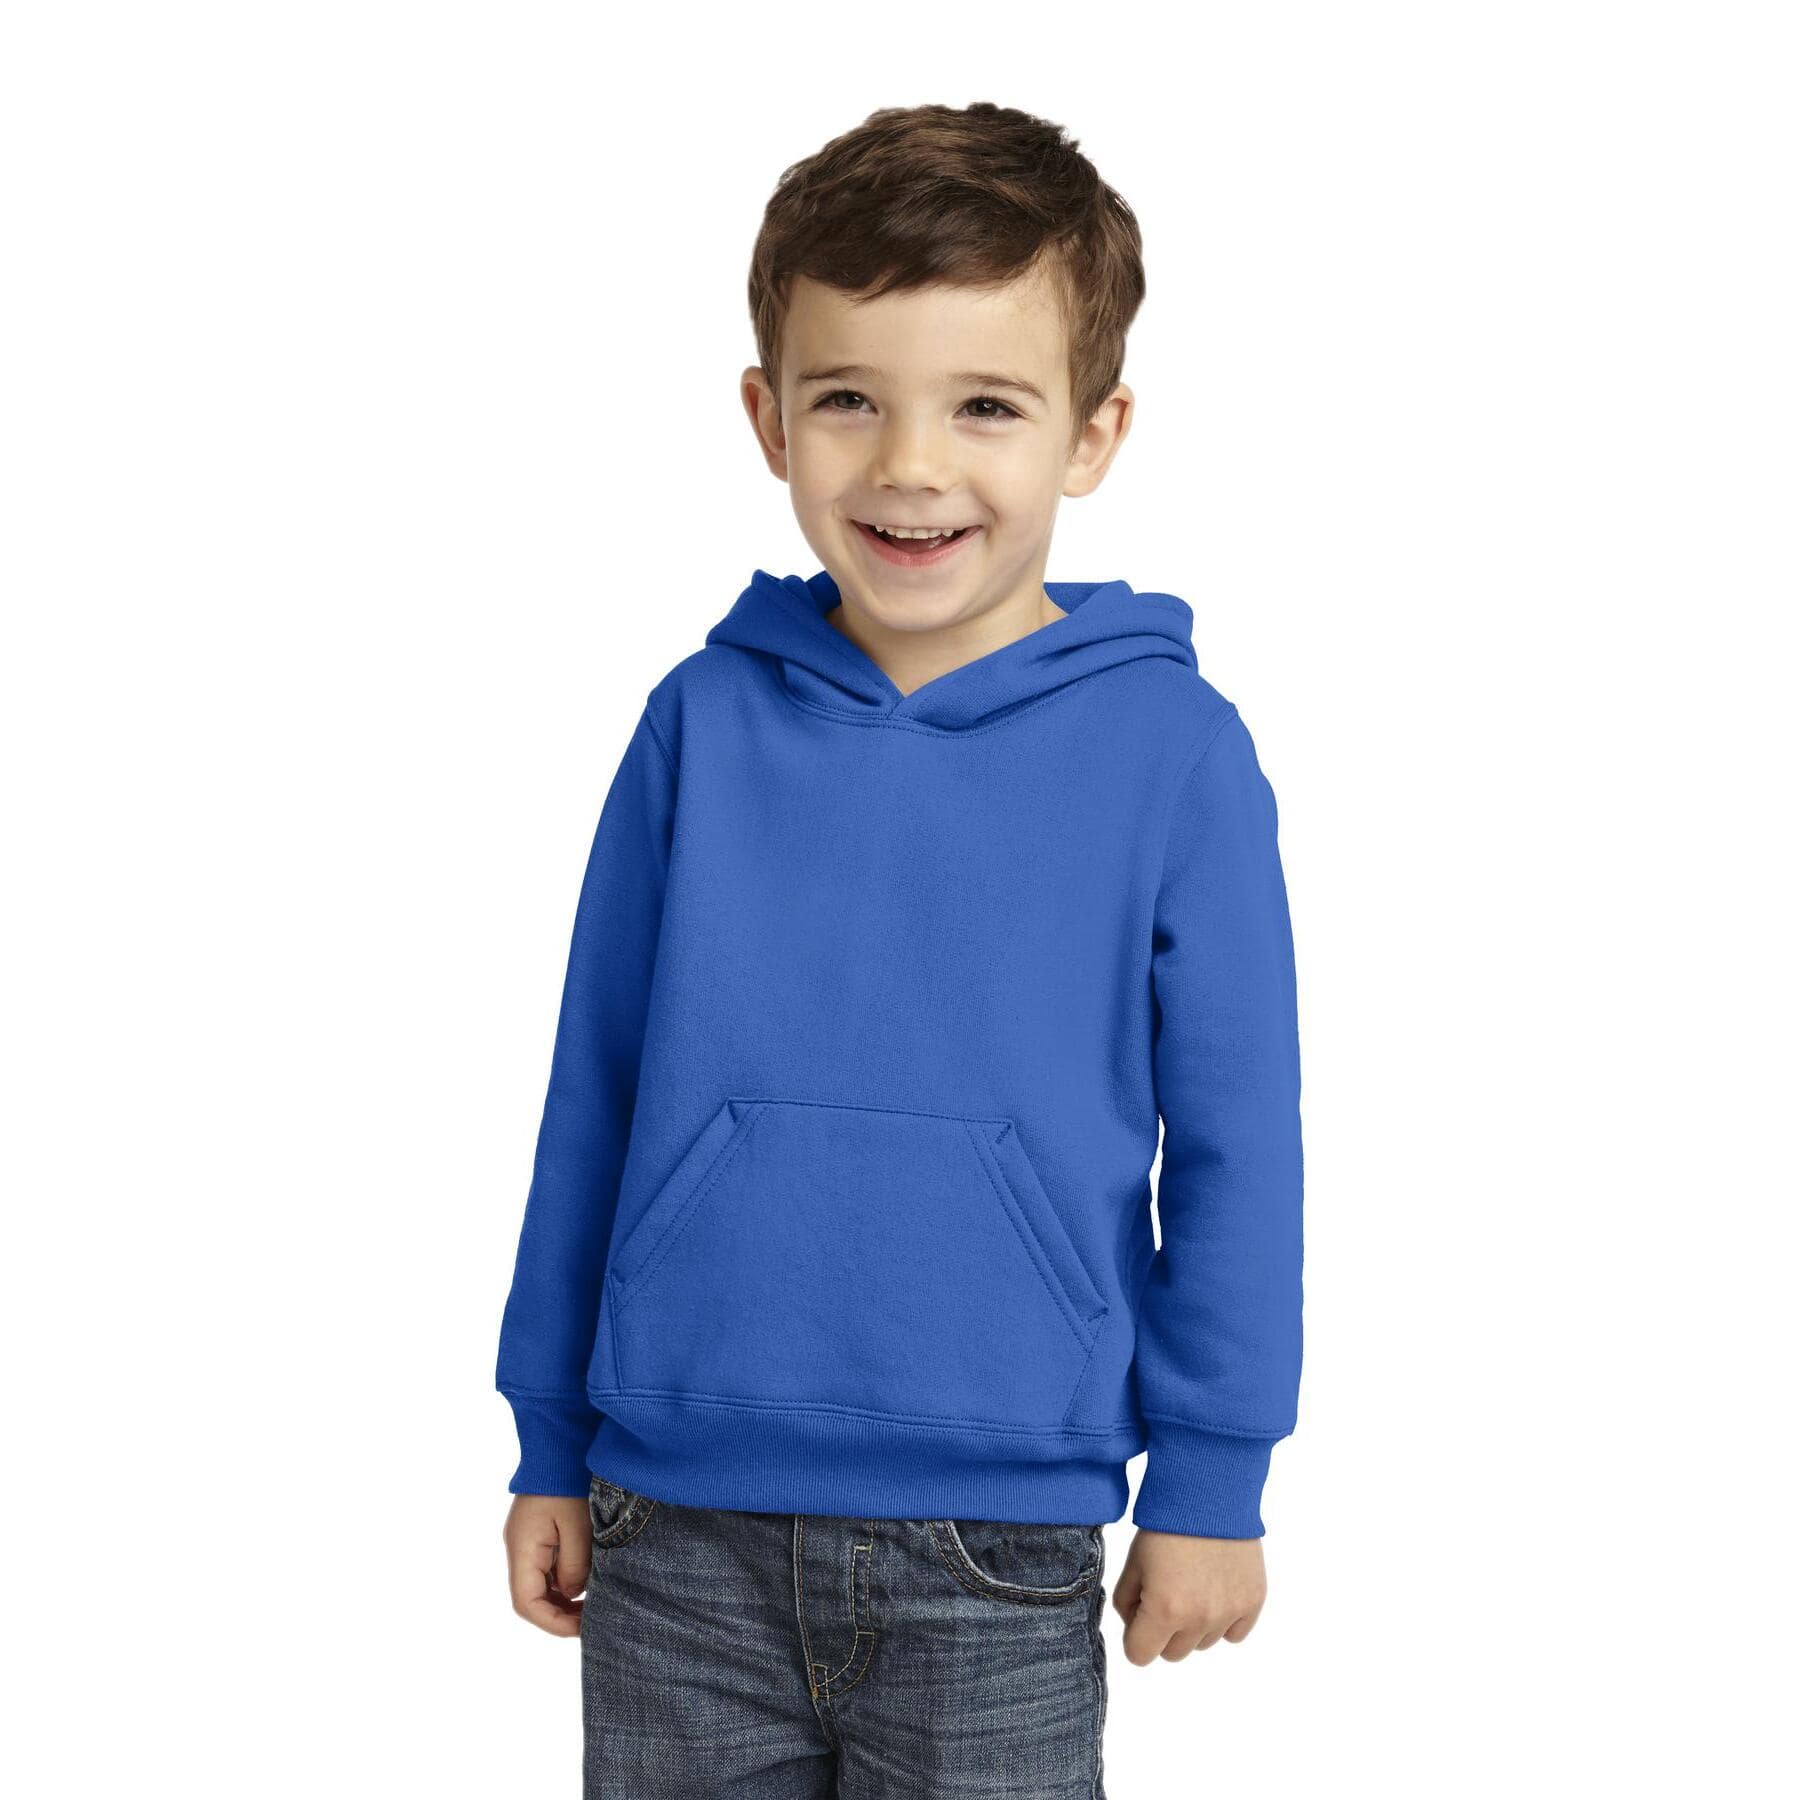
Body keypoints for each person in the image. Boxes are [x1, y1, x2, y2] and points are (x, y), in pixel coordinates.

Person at [496, 99, 1305, 1798]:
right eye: (849, 399)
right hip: (670, 1530)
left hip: (994, 1553)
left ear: (1094, 433)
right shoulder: (700, 724)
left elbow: (1239, 1143)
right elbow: (595, 1091)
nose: (910, 465)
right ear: (767, 417)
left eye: (986, 405)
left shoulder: (1174, 753)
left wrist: (1214, 1477)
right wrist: (549, 1437)